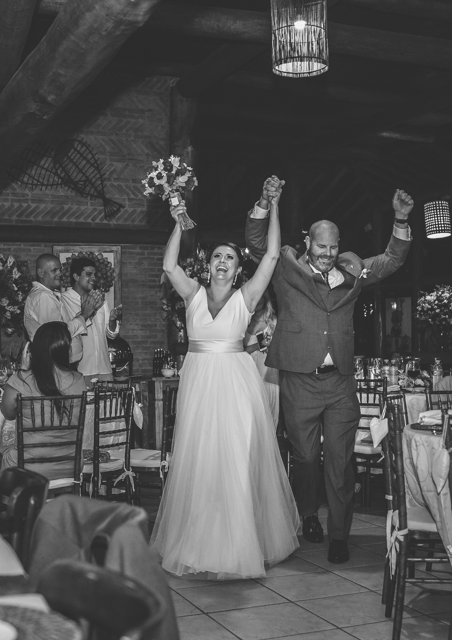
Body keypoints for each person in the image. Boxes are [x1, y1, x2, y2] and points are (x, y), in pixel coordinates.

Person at [246, 177, 413, 564]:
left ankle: (340, 534)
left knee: (340, 462)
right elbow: (257, 243)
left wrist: (400, 220)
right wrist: (265, 202)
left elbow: (391, 260)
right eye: (321, 246)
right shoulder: (286, 264)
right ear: (308, 243)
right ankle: (308, 514)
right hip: (299, 379)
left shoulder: (352, 270)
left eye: (333, 246)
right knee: (304, 458)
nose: (327, 253)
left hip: (339, 382)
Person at [151, 178, 299, 579]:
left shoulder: (247, 297)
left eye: (229, 258)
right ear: (209, 264)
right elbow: (168, 266)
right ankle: (199, 544)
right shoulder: (192, 294)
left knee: (234, 461)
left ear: (236, 271)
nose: (221, 261)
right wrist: (179, 223)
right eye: (217, 256)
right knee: (199, 461)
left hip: (236, 384)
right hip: (199, 382)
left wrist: (275, 206)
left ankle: (239, 547)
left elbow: (270, 255)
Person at [0, 321, 87, 476]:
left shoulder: (22, 380)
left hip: (26, 467)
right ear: (66, 349)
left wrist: (23, 370)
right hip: (70, 465)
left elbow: (8, 413)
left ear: (35, 350)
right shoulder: (79, 380)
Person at [23, 254, 101, 366]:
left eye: (60, 270)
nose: (60, 274)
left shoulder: (49, 295)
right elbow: (58, 334)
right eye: (54, 270)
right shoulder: (43, 297)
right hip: (54, 365)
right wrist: (83, 315)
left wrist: (88, 312)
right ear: (41, 273)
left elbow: (64, 325)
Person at [61, 257, 122, 383]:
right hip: (80, 370)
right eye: (89, 274)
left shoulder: (99, 300)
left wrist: (111, 320)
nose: (93, 278)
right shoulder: (64, 301)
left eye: (94, 274)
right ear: (76, 277)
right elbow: (65, 332)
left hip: (104, 368)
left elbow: (111, 335)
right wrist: (86, 313)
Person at [244, 288, 280, 428]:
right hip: (246, 370)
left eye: (260, 297)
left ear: (265, 299)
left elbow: (278, 348)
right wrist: (256, 347)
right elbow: (235, 349)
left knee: (268, 413)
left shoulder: (273, 322)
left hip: (267, 370)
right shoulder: (243, 321)